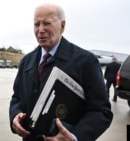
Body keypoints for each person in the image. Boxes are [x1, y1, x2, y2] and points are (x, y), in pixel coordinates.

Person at [9, 3, 113, 141]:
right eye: (36, 24)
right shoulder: (26, 61)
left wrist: (75, 137)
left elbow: (101, 111)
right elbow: (17, 98)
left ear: (62, 26)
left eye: (47, 23)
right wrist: (15, 116)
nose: (40, 30)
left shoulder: (86, 62)